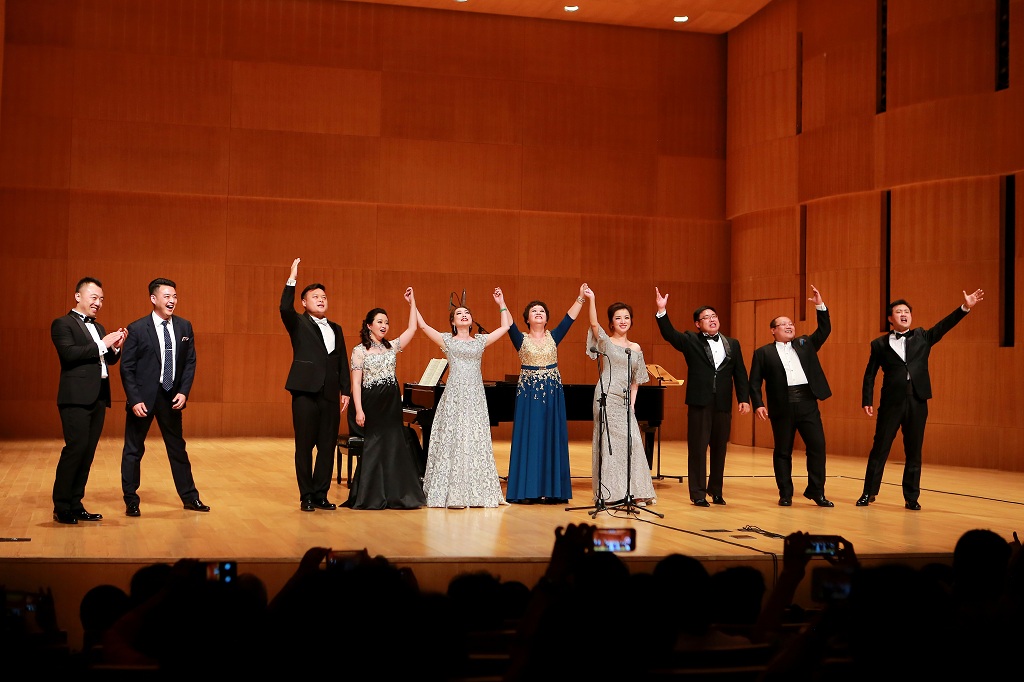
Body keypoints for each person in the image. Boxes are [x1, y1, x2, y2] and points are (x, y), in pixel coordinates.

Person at [857, 289, 984, 510]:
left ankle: (911, 497)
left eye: (907, 311)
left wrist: (965, 307)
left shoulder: (923, 336)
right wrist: (867, 399)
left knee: (914, 451)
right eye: (899, 312)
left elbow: (944, 325)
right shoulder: (879, 344)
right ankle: (868, 493)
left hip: (917, 400)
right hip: (891, 402)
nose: (903, 314)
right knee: (880, 448)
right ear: (890, 318)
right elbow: (870, 374)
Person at [120, 277, 208, 516]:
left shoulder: (184, 327)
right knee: (133, 450)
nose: (172, 301)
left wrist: (184, 391)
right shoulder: (137, 328)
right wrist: (134, 399)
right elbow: (126, 367)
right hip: (142, 399)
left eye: (175, 296)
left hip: (171, 397)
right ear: (153, 298)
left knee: (177, 448)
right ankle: (131, 500)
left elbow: (190, 362)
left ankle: (190, 497)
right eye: (167, 296)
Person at [654, 288, 751, 506]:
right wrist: (662, 311)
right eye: (706, 317)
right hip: (700, 401)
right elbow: (670, 335)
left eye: (714, 316)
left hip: (723, 402)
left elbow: (740, 373)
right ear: (698, 324)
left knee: (720, 448)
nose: (712, 319)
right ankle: (698, 493)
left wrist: (743, 399)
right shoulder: (691, 340)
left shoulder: (732, 343)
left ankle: (716, 490)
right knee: (698, 449)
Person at [417, 288, 512, 508]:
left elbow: (506, 326)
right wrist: (413, 302)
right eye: (458, 313)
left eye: (466, 313)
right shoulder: (447, 341)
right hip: (454, 395)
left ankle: (476, 493)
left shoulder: (479, 341)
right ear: (453, 322)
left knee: (474, 438)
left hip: (475, 396)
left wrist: (501, 303)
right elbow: (423, 326)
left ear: (471, 321)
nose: (463, 315)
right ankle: (453, 493)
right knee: (454, 439)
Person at [50, 277, 127, 525]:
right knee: (75, 450)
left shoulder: (100, 327)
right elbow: (69, 354)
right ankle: (62, 506)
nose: (98, 303)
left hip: (98, 396)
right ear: (78, 296)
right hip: (75, 398)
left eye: (101, 299)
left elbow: (107, 360)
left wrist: (115, 347)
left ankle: (76, 504)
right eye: (94, 297)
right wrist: (102, 344)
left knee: (88, 452)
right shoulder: (62, 324)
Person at [748, 285, 833, 507]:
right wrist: (758, 404)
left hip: (807, 402)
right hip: (781, 405)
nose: (789, 326)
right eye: (783, 324)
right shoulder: (763, 353)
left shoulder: (805, 343)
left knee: (817, 447)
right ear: (773, 330)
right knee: (783, 451)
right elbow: (754, 382)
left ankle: (816, 491)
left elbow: (824, 330)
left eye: (791, 323)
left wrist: (820, 306)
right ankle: (785, 493)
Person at [504, 285, 587, 504]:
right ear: (527, 319)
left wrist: (580, 297)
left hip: (552, 393)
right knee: (530, 437)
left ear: (547, 319)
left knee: (551, 436)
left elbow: (569, 319)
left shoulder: (554, 337)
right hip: (529, 394)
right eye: (534, 311)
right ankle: (527, 491)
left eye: (542, 311)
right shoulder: (521, 339)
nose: (538, 313)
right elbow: (509, 324)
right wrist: (502, 303)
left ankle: (551, 491)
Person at [343, 288, 425, 509]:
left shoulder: (392, 347)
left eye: (386, 322)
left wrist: (412, 302)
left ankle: (395, 495)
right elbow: (355, 384)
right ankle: (370, 495)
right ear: (369, 325)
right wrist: (359, 410)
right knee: (375, 444)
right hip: (371, 403)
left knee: (393, 445)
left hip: (391, 403)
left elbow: (412, 328)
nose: (384, 325)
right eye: (379, 322)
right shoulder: (359, 350)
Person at [280, 258, 351, 512]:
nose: (321, 300)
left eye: (324, 297)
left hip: (330, 393)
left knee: (327, 446)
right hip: (305, 392)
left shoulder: (336, 328)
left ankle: (321, 494)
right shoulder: (298, 323)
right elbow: (284, 308)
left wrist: (346, 390)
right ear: (304, 302)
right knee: (304, 446)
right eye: (315, 297)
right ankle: (306, 495)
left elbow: (342, 359)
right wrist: (292, 278)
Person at [583, 287, 657, 507]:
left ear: (631, 321)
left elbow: (636, 380)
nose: (623, 321)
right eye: (618, 318)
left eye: (626, 317)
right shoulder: (606, 342)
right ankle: (610, 493)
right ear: (611, 323)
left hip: (624, 401)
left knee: (633, 442)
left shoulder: (635, 348)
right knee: (608, 445)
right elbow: (594, 325)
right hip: (606, 396)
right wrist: (592, 299)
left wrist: (632, 405)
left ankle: (636, 491)